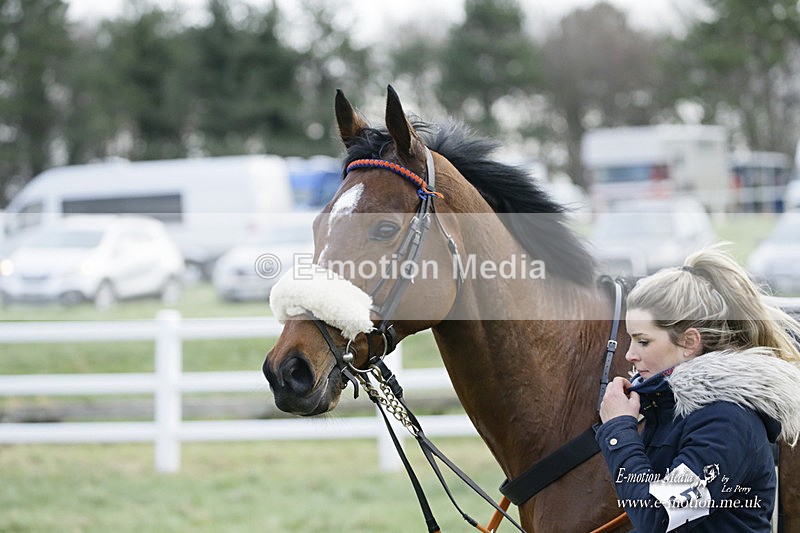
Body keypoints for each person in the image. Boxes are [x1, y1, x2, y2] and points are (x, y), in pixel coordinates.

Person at [596, 244, 800, 532]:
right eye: (630, 339)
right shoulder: (672, 410)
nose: (630, 355)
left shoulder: (728, 422)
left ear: (690, 343)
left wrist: (619, 430)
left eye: (643, 341)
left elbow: (660, 517)